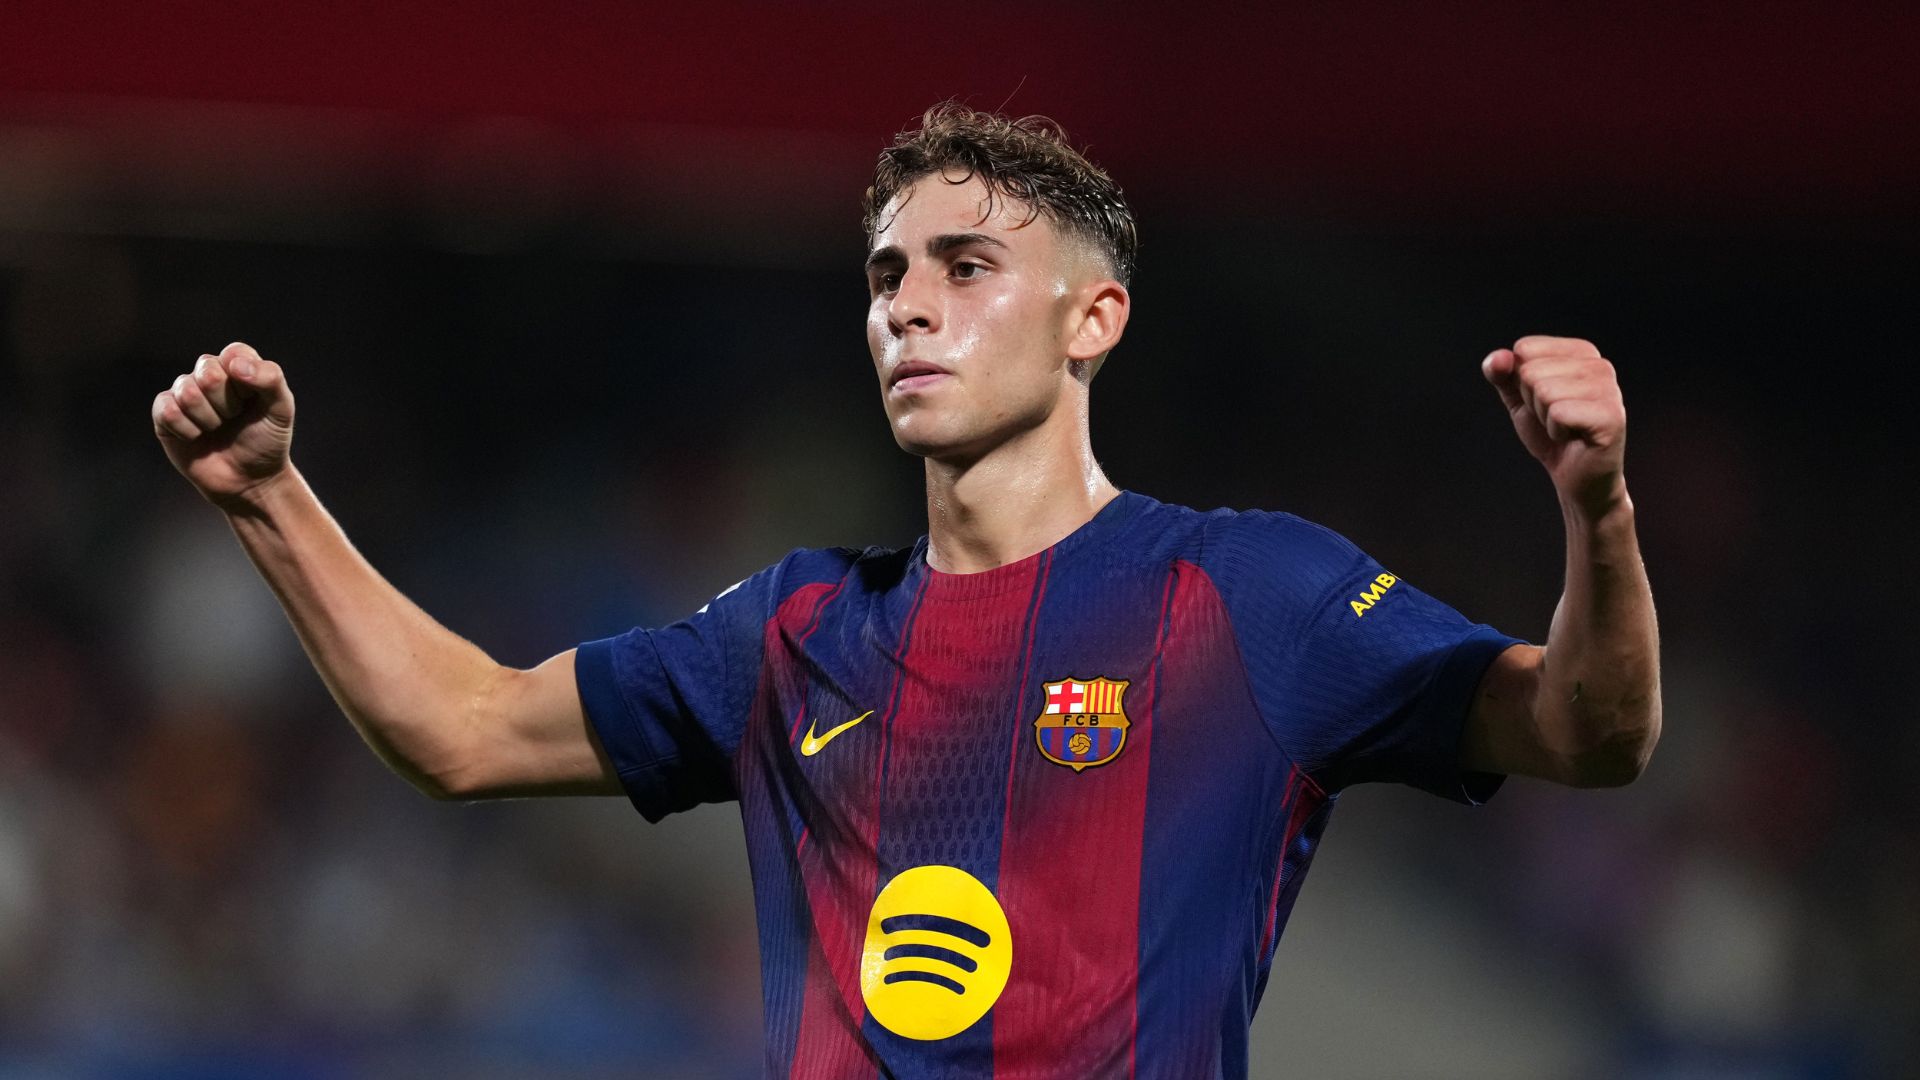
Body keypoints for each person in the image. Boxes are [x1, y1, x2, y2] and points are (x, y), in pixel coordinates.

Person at [150, 105, 1660, 1078]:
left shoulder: (1246, 592)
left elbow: (1591, 734)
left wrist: (1595, 510)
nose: (909, 309)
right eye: (886, 277)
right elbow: (463, 729)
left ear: (1094, 320)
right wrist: (267, 498)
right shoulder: (794, 630)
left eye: (966, 266)